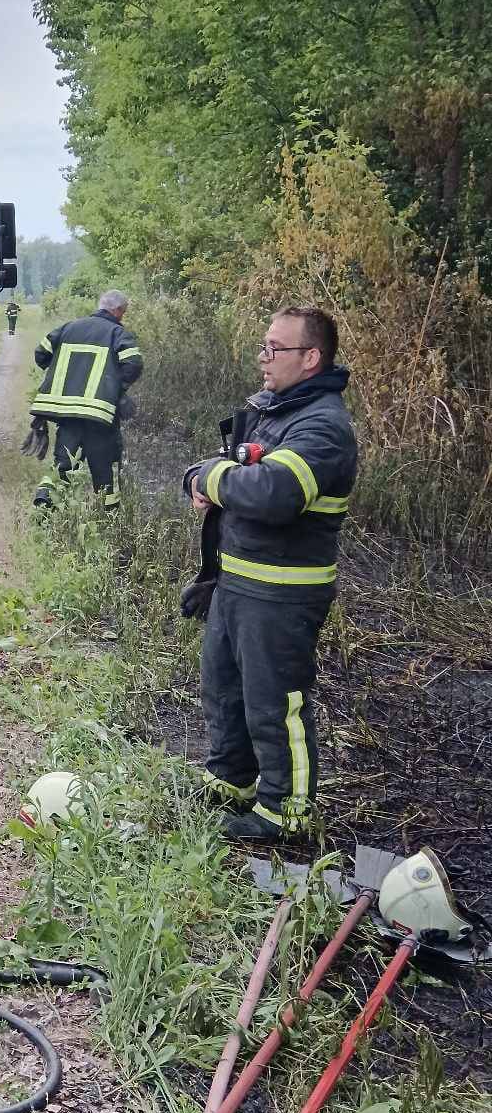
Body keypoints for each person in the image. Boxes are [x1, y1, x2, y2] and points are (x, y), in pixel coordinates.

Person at [185, 305, 357, 842]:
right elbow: (218, 466)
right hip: (238, 583)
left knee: (276, 704)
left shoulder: (324, 427)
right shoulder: (275, 412)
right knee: (225, 689)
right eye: (262, 347)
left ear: (311, 358)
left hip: (283, 591)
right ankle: (232, 780)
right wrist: (211, 473)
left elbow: (273, 494)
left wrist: (213, 476)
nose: (263, 359)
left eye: (273, 349)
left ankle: (286, 812)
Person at [28, 289, 143, 510]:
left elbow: (41, 353)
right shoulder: (117, 333)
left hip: (68, 415)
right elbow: (134, 364)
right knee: (105, 470)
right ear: (118, 311)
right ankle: (110, 518)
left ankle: (45, 506)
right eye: (124, 312)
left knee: (63, 465)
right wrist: (116, 390)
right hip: (99, 417)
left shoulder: (69, 328)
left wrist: (65, 378)